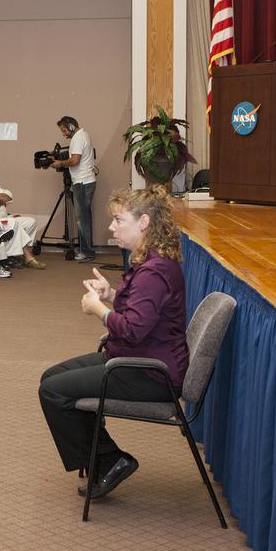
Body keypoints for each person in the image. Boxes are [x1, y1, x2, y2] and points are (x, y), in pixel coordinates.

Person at [38, 186, 189, 501]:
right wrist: (111, 294)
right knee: (50, 379)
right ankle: (107, 459)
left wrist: (100, 311)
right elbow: (143, 313)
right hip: (137, 360)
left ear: (144, 222)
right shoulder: (152, 261)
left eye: (119, 220)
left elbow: (133, 330)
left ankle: (109, 460)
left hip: (150, 374)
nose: (111, 227)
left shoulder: (154, 270)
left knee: (53, 391)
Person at [54, 116, 99, 263]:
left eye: (64, 130)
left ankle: (87, 252)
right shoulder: (83, 135)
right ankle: (85, 251)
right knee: (84, 217)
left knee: (82, 219)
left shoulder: (78, 138)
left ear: (72, 127)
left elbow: (74, 161)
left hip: (82, 183)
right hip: (84, 181)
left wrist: (60, 163)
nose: (64, 134)